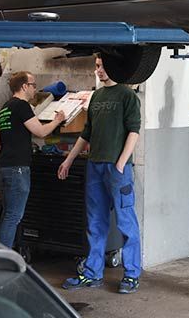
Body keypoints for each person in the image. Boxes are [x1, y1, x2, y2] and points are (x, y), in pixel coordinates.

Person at [58, 54, 142, 294]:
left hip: (117, 168)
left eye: (103, 66)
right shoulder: (96, 96)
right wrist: (69, 159)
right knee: (95, 222)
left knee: (126, 222)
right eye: (97, 66)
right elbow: (87, 133)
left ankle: (132, 275)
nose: (100, 70)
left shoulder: (127, 95)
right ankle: (92, 273)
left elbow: (134, 131)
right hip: (94, 165)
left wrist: (120, 164)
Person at [0, 71, 66, 249]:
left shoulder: (4, 108)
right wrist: (57, 120)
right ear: (24, 86)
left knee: (8, 213)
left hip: (5, 166)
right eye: (33, 85)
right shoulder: (21, 106)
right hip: (18, 168)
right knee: (14, 216)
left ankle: (4, 253)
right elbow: (40, 132)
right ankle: (5, 258)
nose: (35, 89)